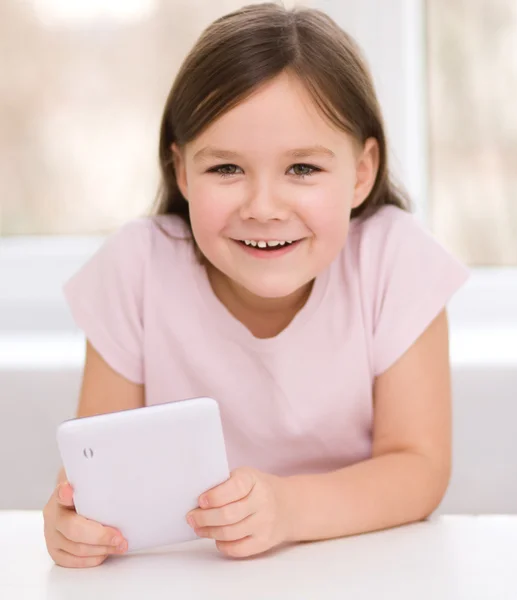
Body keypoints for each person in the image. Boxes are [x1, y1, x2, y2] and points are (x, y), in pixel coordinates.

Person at [43, 2, 470, 568]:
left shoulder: (395, 261)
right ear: (182, 171)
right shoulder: (135, 269)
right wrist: (74, 523)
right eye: (226, 169)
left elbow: (419, 467)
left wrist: (288, 509)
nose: (263, 208)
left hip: (361, 569)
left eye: (302, 169)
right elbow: (95, 470)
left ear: (362, 171)